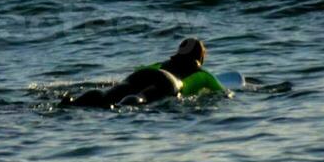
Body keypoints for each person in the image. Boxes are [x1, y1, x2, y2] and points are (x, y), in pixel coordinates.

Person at [63, 38, 220, 108]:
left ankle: (75, 102)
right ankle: (122, 106)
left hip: (145, 73)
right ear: (200, 57)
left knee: (110, 93)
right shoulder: (201, 72)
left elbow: (139, 70)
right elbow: (218, 88)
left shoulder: (164, 63)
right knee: (144, 96)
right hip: (169, 82)